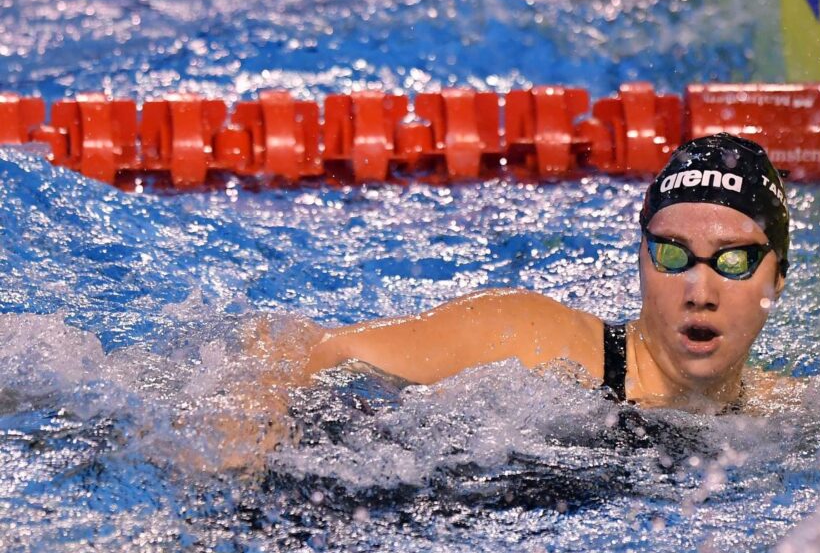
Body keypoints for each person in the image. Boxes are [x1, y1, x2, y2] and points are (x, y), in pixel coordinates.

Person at [246, 132, 791, 418]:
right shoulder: (531, 338)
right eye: (672, 255)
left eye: (733, 261)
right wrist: (243, 438)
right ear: (642, 263)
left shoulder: (787, 414)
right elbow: (299, 346)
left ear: (778, 278)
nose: (699, 291)